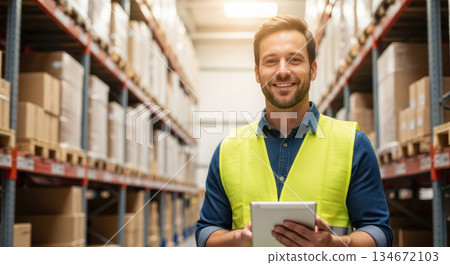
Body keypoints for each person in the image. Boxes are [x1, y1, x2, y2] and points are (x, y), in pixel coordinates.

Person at [196, 15, 392, 247]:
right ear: (258, 74)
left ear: (313, 69)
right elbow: (206, 233)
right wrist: (238, 238)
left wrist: (334, 245)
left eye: (294, 59)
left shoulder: (353, 144)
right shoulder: (228, 150)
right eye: (271, 61)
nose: (282, 71)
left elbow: (380, 233)